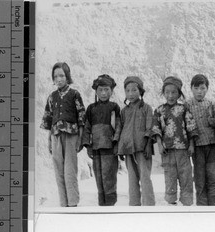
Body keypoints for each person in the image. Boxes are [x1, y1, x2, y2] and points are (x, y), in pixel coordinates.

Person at [40, 62, 86, 207]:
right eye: (55, 76)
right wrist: (49, 141)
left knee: (69, 171)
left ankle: (73, 203)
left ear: (67, 76)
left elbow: (81, 117)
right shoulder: (51, 97)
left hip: (71, 136)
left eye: (61, 75)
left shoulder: (74, 94)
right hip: (55, 136)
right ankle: (63, 204)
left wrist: (80, 137)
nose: (58, 79)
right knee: (58, 171)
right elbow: (48, 119)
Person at [151, 76, 198, 206]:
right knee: (170, 176)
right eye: (167, 92)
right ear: (163, 93)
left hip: (183, 150)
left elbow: (191, 127)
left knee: (186, 176)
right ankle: (171, 202)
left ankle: (187, 202)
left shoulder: (184, 109)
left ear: (179, 93)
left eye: (174, 92)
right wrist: (160, 144)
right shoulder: (159, 110)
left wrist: (192, 145)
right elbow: (156, 129)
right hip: (167, 151)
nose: (170, 95)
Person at [82, 74, 121, 206]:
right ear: (96, 91)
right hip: (95, 148)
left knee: (109, 176)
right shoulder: (91, 108)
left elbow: (118, 126)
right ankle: (101, 204)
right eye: (100, 90)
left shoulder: (114, 107)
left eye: (107, 90)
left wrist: (116, 143)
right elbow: (87, 127)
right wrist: (87, 146)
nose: (103, 93)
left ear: (112, 91)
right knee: (98, 176)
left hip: (110, 148)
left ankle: (110, 203)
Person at [118, 76, 155, 206]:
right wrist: (120, 148)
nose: (131, 94)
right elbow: (122, 129)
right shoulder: (124, 111)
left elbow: (150, 128)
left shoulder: (147, 108)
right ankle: (134, 206)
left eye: (134, 90)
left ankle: (149, 206)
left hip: (143, 148)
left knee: (145, 178)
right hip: (128, 149)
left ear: (140, 91)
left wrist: (148, 145)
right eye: (127, 91)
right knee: (132, 178)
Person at [186, 74, 215, 206]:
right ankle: (202, 208)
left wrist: (213, 121)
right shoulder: (187, 105)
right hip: (197, 147)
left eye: (202, 88)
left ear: (207, 89)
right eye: (196, 88)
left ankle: (214, 207)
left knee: (214, 177)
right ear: (191, 89)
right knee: (200, 178)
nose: (199, 91)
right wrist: (190, 144)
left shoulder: (211, 104)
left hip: (211, 146)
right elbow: (186, 126)